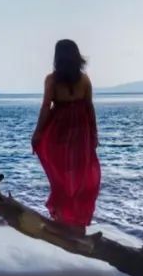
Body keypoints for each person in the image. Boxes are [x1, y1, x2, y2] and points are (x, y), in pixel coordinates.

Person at [31, 39, 101, 235]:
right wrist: (94, 133)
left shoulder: (51, 79)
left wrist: (37, 133)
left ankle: (65, 217)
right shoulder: (85, 79)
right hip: (81, 131)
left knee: (61, 173)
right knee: (81, 174)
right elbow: (89, 107)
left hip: (60, 129)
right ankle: (77, 220)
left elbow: (46, 107)